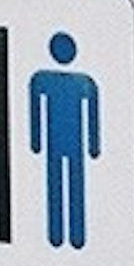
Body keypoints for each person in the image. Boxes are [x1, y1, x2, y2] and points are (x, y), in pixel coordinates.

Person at [28, 30, 102, 250]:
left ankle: (72, 235)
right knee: (58, 183)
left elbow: (92, 114)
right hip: (61, 142)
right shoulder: (43, 79)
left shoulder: (83, 82)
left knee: (68, 183)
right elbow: (36, 110)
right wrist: (36, 141)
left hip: (67, 142)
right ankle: (58, 234)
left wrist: (93, 145)